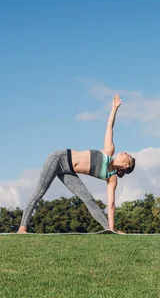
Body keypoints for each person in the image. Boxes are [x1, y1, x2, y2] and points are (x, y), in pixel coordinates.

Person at [17, 94, 136, 234]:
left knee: (88, 199)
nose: (125, 152)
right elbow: (110, 127)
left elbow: (111, 204)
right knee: (40, 192)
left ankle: (108, 229)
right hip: (59, 159)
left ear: (126, 166)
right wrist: (114, 109)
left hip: (69, 171)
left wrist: (113, 227)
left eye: (128, 156)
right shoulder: (109, 151)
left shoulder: (112, 178)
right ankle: (22, 228)